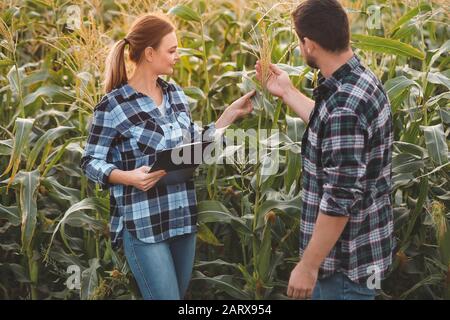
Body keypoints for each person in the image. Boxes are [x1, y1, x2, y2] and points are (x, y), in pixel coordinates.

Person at [80, 13, 254, 300]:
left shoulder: (176, 95)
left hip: (182, 217)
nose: (177, 56)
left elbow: (195, 145)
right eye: (171, 50)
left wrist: (230, 114)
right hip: (144, 223)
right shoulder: (113, 105)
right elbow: (90, 161)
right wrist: (128, 177)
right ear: (149, 53)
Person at [256, 0, 394, 300]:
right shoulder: (359, 81)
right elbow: (329, 125)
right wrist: (287, 91)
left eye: (299, 41)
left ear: (309, 44)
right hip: (364, 255)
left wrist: (308, 266)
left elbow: (340, 197)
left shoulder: (345, 107)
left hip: (343, 268)